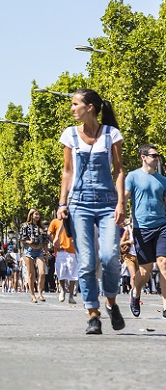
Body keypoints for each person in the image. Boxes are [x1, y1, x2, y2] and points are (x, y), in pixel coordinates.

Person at [57, 88, 126, 335]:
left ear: (90, 107)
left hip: (108, 203)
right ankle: (93, 313)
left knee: (109, 258)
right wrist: (62, 203)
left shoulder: (111, 134)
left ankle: (111, 301)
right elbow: (67, 171)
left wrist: (121, 204)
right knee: (86, 262)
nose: (72, 108)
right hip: (79, 203)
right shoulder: (69, 135)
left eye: (76, 104)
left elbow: (119, 171)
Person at [124, 144, 166, 318]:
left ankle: (165, 305)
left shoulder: (163, 180)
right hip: (141, 228)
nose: (157, 158)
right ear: (143, 157)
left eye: (158, 156)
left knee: (163, 264)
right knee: (145, 271)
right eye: (154, 155)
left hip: (162, 225)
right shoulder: (133, 176)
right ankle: (135, 293)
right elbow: (124, 198)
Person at [19, 208, 47, 303]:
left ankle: (40, 293)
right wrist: (28, 241)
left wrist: (46, 252)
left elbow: (45, 241)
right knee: (31, 274)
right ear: (31, 215)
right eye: (36, 214)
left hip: (39, 250)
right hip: (29, 251)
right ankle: (33, 295)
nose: (37, 216)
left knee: (42, 272)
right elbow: (22, 239)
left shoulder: (42, 228)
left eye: (38, 214)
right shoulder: (25, 226)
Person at [48, 217, 78, 304]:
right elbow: (49, 234)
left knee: (73, 274)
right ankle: (62, 289)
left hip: (71, 250)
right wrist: (55, 243)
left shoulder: (73, 220)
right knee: (60, 273)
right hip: (60, 251)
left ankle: (71, 295)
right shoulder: (55, 221)